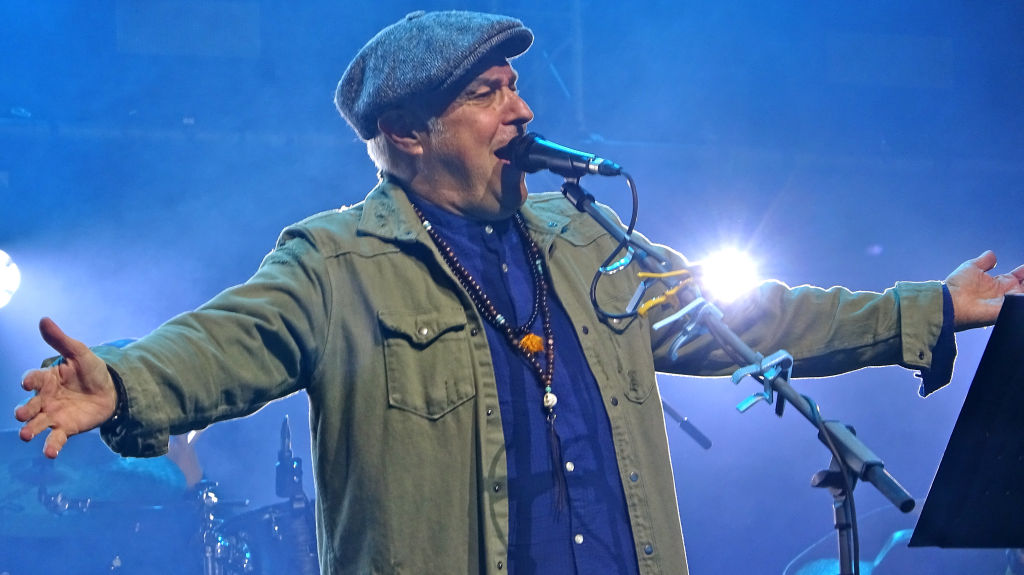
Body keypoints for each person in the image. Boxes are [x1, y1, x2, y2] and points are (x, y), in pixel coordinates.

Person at [13, 10, 1024, 575]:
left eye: (514, 87)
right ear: (406, 132)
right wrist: (123, 382)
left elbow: (753, 318)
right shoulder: (336, 261)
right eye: (486, 93)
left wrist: (928, 307)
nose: (523, 109)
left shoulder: (586, 238)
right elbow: (226, 340)